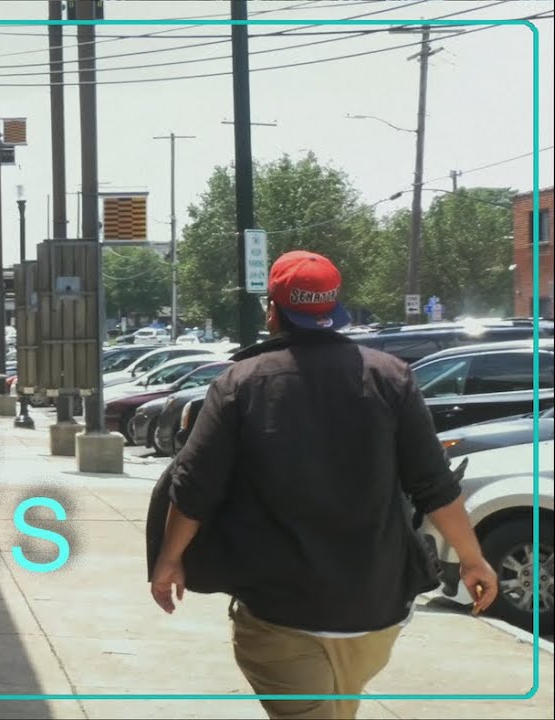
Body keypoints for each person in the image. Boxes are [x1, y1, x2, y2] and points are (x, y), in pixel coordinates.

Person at [148, 250, 498, 720]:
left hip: (280, 615)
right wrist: (473, 559)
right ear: (334, 310)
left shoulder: (242, 382)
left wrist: (169, 560)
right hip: (375, 616)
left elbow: (194, 486)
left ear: (273, 310)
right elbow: (432, 484)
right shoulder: (392, 377)